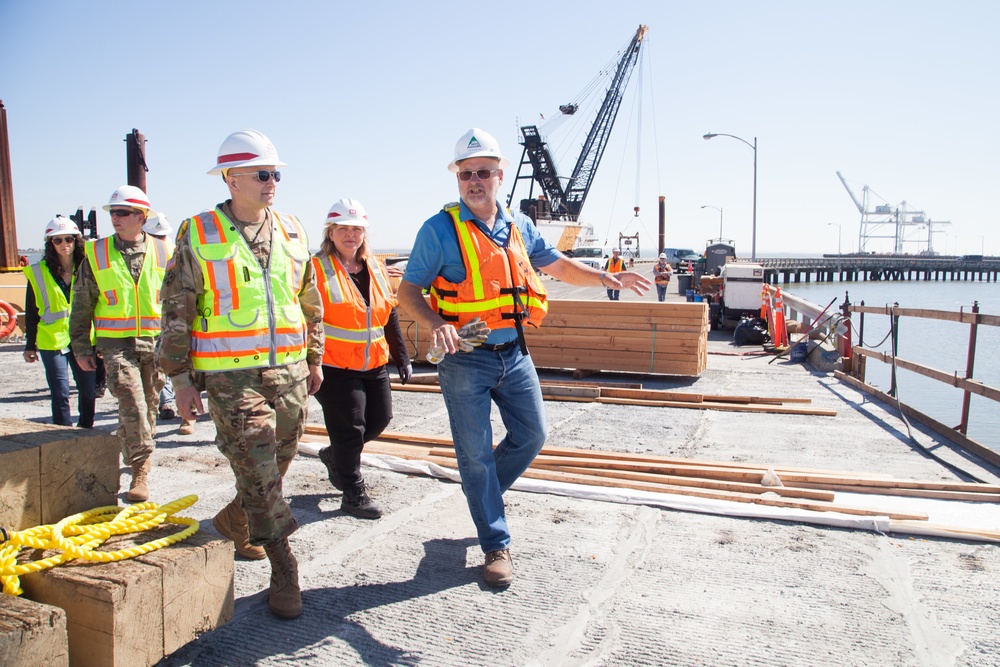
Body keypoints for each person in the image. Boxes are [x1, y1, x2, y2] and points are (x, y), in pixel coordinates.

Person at [397, 128, 651, 587]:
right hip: (466, 356)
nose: (475, 181)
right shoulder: (438, 230)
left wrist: (606, 278)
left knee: (532, 435)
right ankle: (496, 542)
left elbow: (557, 264)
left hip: (513, 354)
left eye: (484, 173)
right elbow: (407, 292)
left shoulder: (518, 226)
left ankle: (483, 494)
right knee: (474, 454)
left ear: (500, 175)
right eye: (466, 173)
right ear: (458, 178)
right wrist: (437, 324)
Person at [158, 129, 324, 619]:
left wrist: (314, 358)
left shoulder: (293, 228)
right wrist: (181, 379)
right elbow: (175, 308)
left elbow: (309, 301)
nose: (272, 182)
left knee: (277, 463)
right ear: (231, 178)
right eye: (261, 174)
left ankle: (236, 521)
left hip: (290, 373)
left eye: (275, 173)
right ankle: (284, 567)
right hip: (231, 378)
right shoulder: (199, 231)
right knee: (257, 465)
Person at [312, 197, 412, 519]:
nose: (350, 235)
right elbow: (305, 319)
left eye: (356, 229)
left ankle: (335, 455)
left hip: (373, 363)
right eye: (343, 228)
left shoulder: (377, 266)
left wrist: (403, 356)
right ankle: (352, 492)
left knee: (380, 419)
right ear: (331, 232)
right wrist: (307, 362)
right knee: (350, 428)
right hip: (333, 364)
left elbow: (389, 315)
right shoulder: (314, 269)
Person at [70, 185, 167, 503]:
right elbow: (82, 302)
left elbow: (180, 302)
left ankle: (137, 451)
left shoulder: (165, 252)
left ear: (141, 217)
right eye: (113, 212)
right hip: (115, 344)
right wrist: (81, 347)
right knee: (132, 402)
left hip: (155, 342)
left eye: (123, 212)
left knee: (150, 406)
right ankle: (141, 468)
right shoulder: (96, 253)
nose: (116, 218)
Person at [23, 216, 99, 428]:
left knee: (88, 390)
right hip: (52, 340)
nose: (64, 244)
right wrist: (30, 345)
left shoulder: (88, 268)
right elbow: (31, 312)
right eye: (58, 240)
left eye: (68, 239)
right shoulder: (38, 272)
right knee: (60, 392)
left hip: (83, 338)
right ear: (50, 244)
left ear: (76, 241)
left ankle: (86, 430)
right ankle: (62, 434)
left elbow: (98, 306)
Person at [142, 213, 196, 435]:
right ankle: (160, 409)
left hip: (177, 321)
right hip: (155, 321)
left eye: (162, 236)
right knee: (162, 369)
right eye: (156, 235)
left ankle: (187, 416)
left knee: (187, 368)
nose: (160, 240)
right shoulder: (141, 255)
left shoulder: (173, 255)